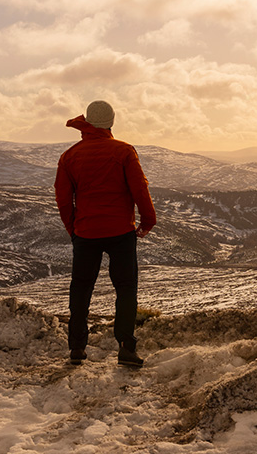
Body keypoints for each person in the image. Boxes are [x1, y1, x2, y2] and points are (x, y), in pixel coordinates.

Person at [54, 100, 156, 367]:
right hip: (120, 231)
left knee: (81, 289)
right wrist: (147, 222)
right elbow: (139, 190)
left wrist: (73, 229)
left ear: (88, 122)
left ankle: (77, 348)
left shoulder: (70, 156)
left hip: (86, 232)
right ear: (111, 122)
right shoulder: (123, 152)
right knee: (125, 288)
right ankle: (126, 348)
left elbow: (64, 200)